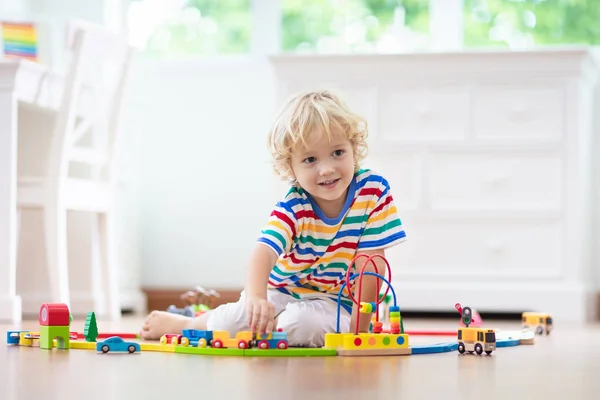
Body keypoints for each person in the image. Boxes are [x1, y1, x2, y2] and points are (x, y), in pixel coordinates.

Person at [140, 90, 407, 347]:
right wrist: (257, 299)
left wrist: (359, 331)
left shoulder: (373, 191)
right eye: (310, 159)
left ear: (354, 148)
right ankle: (190, 324)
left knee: (305, 324)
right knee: (232, 322)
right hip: (282, 292)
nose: (326, 169)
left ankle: (274, 327)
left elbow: (370, 265)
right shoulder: (294, 204)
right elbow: (264, 252)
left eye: (338, 152)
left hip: (336, 302)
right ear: (289, 166)